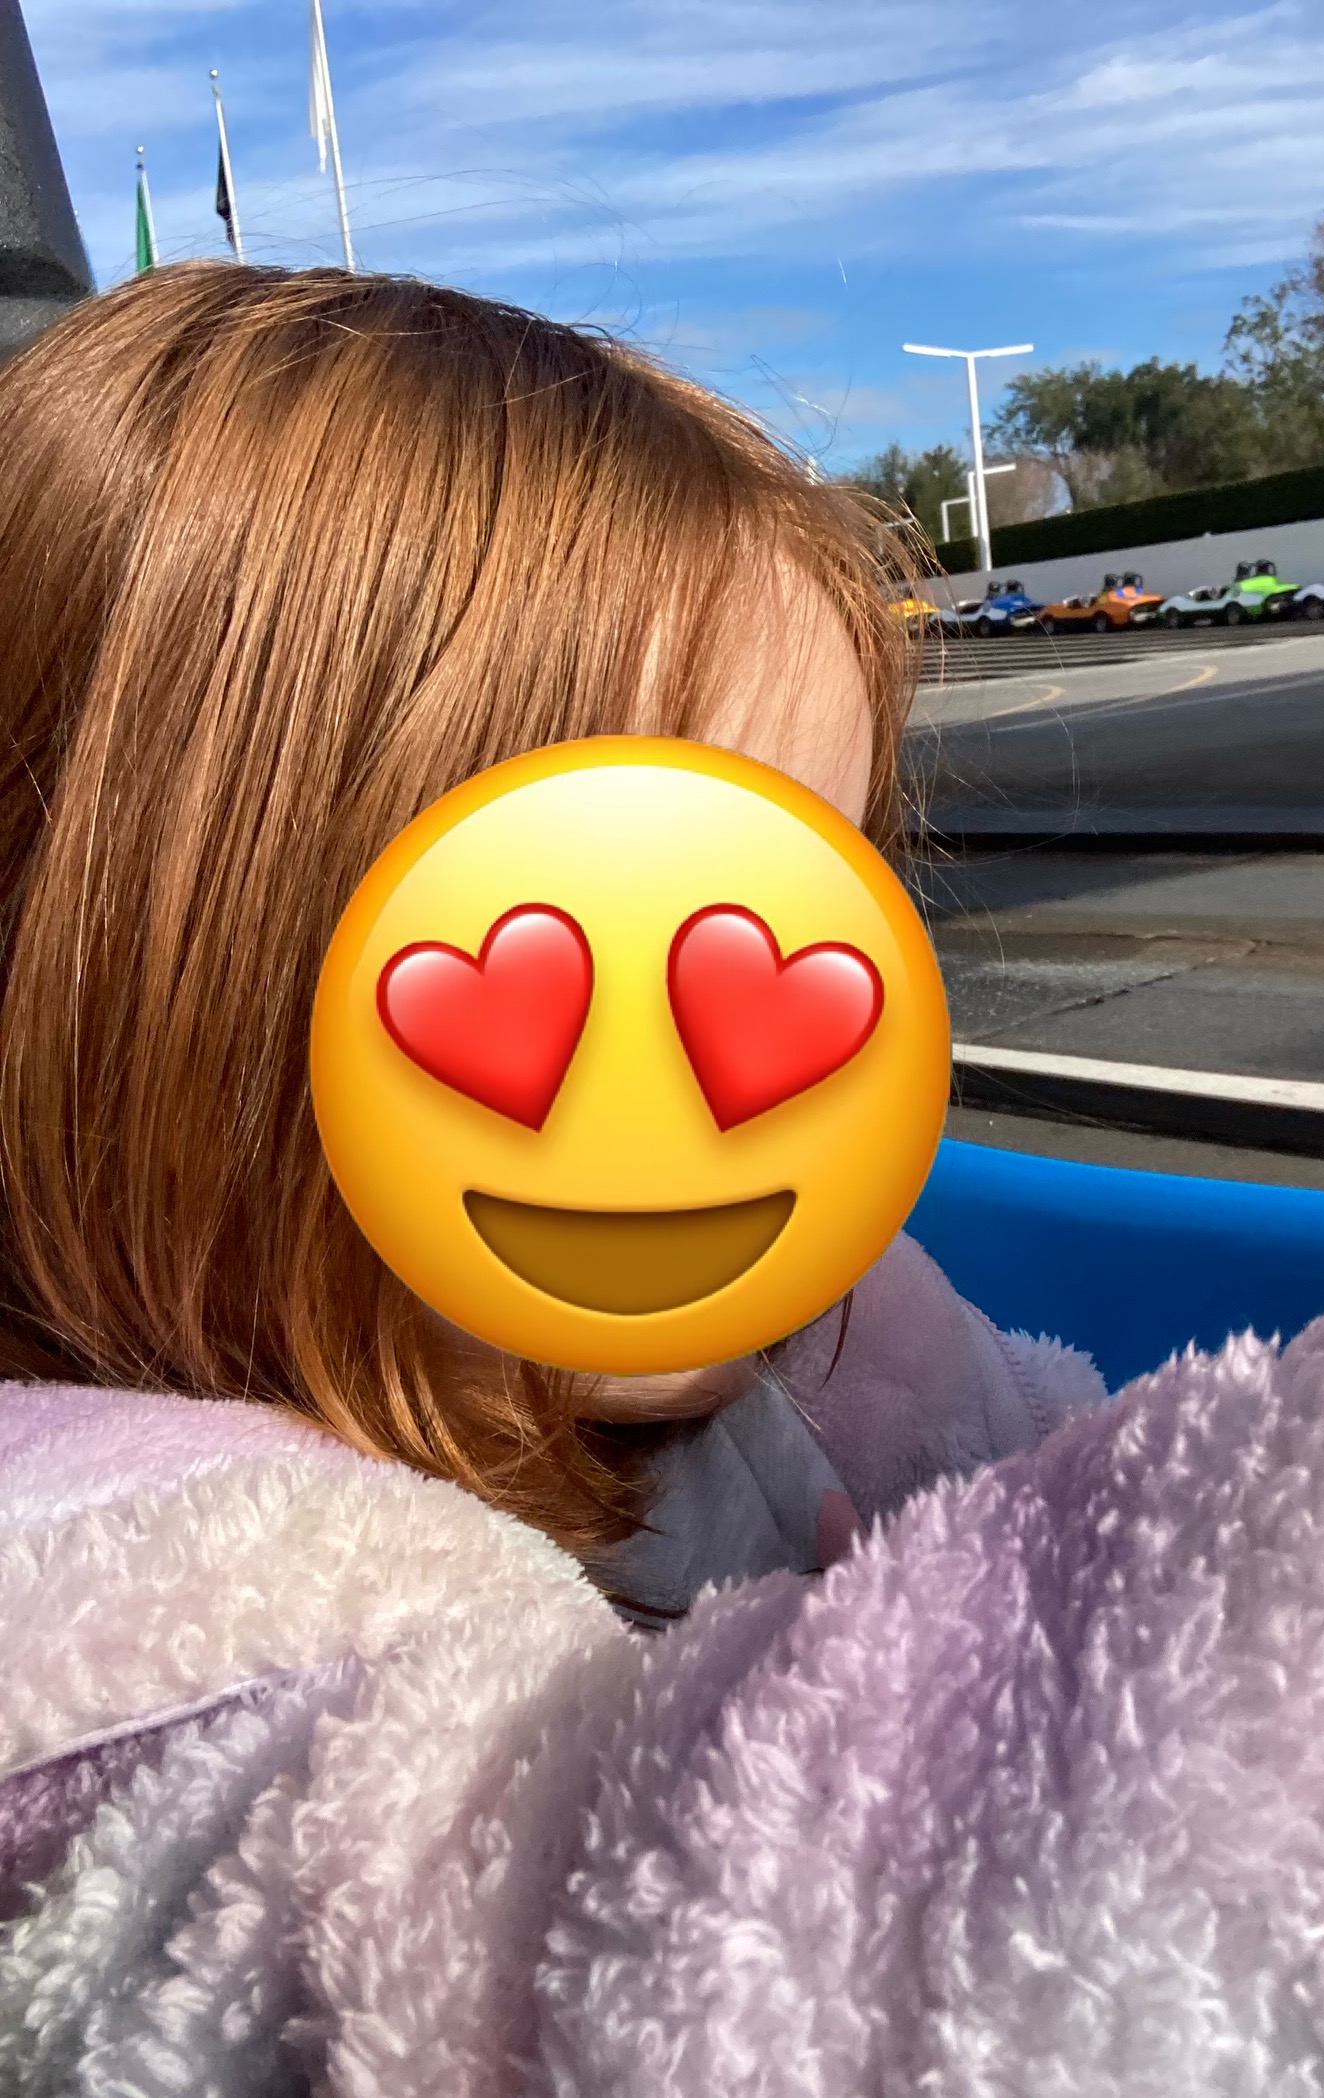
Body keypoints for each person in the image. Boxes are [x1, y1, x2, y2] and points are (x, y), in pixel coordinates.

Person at [0, 263, 1104, 2054]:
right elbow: (497, 1958)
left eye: (807, 893)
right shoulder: (136, 1627)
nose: (762, 1055)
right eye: (602, 919)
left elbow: (1096, 1495)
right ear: (165, 974)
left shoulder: (809, 1363)